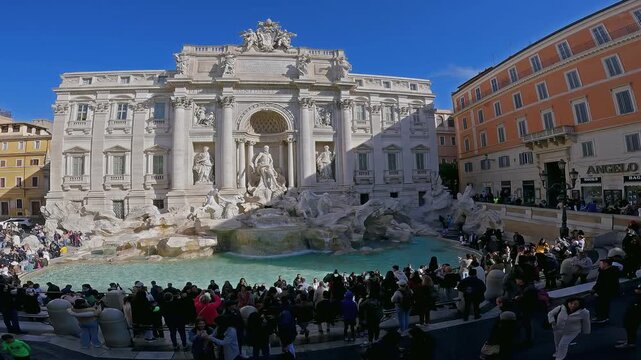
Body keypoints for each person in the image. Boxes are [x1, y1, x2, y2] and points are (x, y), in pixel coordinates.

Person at [591, 258, 620, 323]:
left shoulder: (610, 273)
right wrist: (594, 288)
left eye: (601, 264)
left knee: (603, 304)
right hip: (602, 291)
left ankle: (602, 317)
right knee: (601, 304)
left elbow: (607, 285)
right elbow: (599, 282)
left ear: (606, 264)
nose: (599, 265)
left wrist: (598, 292)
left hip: (605, 292)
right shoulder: (603, 271)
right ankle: (601, 316)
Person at [615, 283, 641, 349]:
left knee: (632, 324)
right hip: (636, 302)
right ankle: (629, 340)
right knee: (628, 323)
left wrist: (638, 291)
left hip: (638, 306)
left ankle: (631, 343)